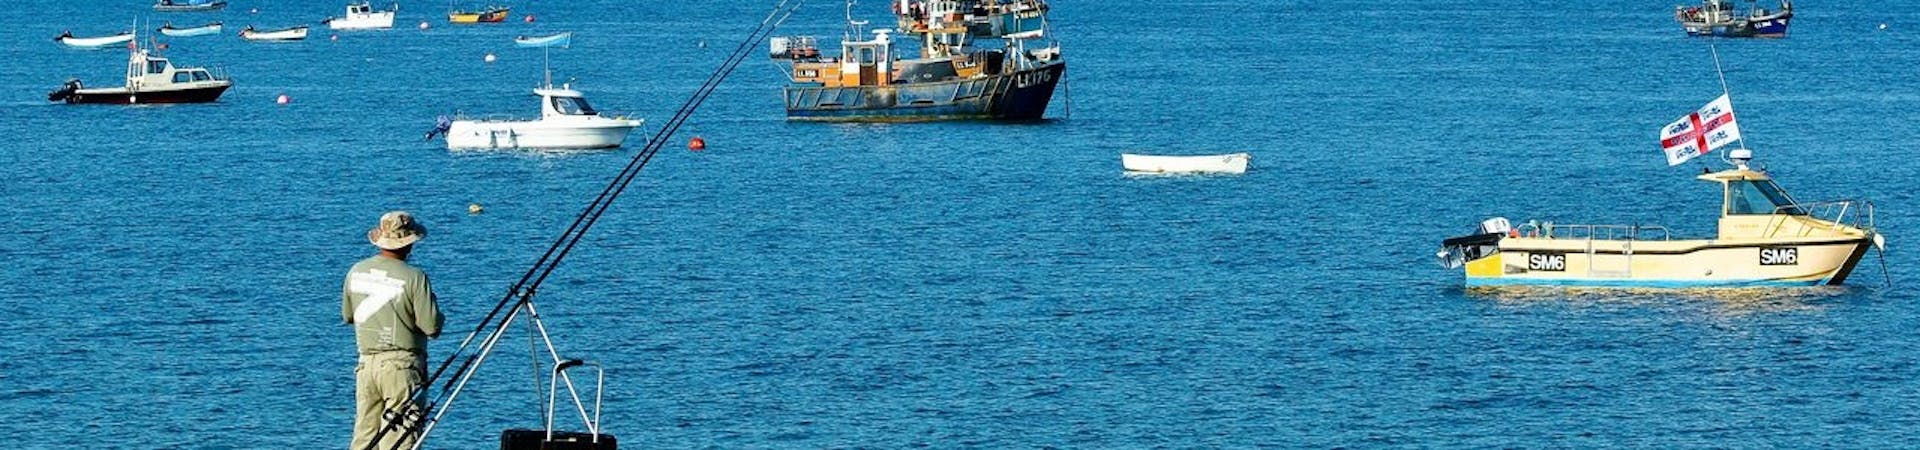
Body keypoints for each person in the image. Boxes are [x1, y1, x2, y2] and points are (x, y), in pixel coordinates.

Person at [343, 211, 443, 450]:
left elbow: (348, 315)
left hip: (366, 366)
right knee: (399, 439)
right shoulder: (414, 277)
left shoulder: (356, 271)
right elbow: (432, 326)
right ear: (409, 242)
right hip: (401, 368)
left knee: (364, 437)